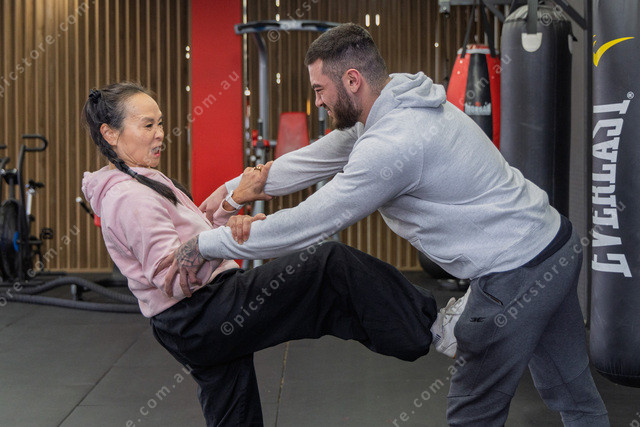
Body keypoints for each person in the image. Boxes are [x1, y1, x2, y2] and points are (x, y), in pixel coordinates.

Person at [162, 24, 609, 426]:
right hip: (556, 245)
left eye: (320, 89)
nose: (317, 101)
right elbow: (312, 160)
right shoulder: (397, 102)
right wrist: (230, 191)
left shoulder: (392, 144)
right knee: (573, 393)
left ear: (352, 80)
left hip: (516, 276)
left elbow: (309, 223)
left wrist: (206, 244)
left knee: (472, 411)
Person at [80, 82, 452, 426]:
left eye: (160, 123)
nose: (161, 133)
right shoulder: (128, 196)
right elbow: (172, 277)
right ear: (110, 134)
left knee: (234, 410)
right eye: (148, 125)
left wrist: (231, 208)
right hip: (199, 313)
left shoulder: (142, 178)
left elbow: (192, 237)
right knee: (329, 265)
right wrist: (230, 239)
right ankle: (433, 327)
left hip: (194, 317)